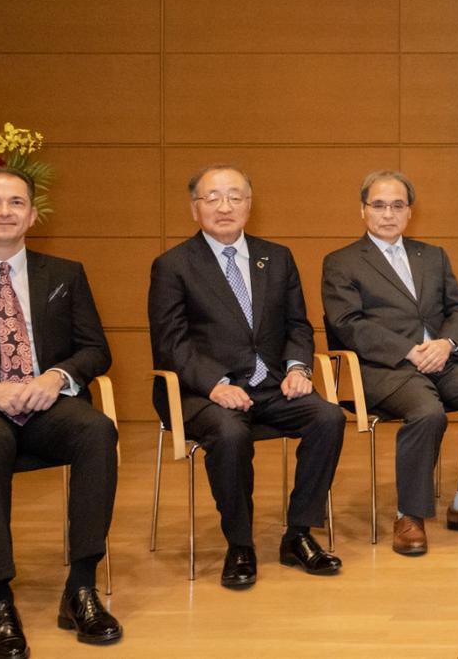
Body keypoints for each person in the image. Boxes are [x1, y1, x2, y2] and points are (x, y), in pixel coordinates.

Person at [0, 167, 122, 655]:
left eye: (16, 202)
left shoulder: (65, 273)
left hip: (46, 403)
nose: (5, 212)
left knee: (97, 430)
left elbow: (95, 350)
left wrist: (56, 377)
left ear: (33, 215)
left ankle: (81, 588)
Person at [148, 165, 345, 588]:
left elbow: (298, 324)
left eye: (235, 197)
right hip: (200, 390)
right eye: (213, 198)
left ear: (249, 205)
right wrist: (217, 385)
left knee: (329, 417)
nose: (225, 206)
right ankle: (240, 544)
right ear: (194, 208)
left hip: (270, 385)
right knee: (231, 434)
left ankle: (298, 534)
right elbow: (171, 344)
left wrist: (297, 368)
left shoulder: (276, 256)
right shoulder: (173, 265)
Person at [321, 170, 458, 556]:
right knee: (428, 413)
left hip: (444, 360)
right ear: (363, 210)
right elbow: (348, 324)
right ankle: (409, 514)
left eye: (397, 205)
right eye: (379, 205)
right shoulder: (342, 262)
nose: (388, 214)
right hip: (388, 367)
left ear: (409, 212)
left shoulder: (432, 255)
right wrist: (409, 350)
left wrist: (446, 343)